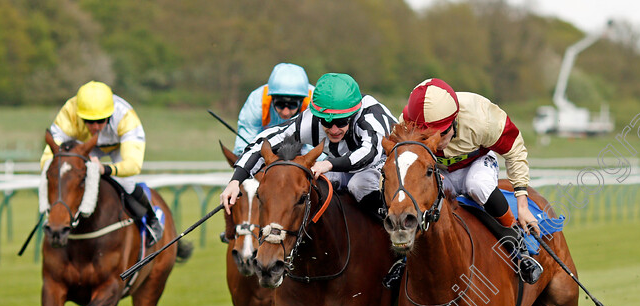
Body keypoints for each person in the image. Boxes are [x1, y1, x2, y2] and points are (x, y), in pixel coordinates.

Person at [399, 78, 543, 284]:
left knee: (478, 185)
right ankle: (404, 261)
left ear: (455, 120)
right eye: (426, 136)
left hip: (477, 164)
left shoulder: (482, 117)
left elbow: (514, 149)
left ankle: (518, 243)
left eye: (441, 133)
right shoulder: (406, 125)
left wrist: (522, 204)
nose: (436, 143)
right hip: (439, 172)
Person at [221, 72, 395, 221]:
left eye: (341, 122)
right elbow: (263, 142)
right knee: (316, 186)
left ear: (353, 114)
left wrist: (329, 164)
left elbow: (370, 152)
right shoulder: (309, 121)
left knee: (359, 184)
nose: (333, 130)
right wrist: (236, 181)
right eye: (327, 122)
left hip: (386, 162)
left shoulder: (369, 117)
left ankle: (394, 230)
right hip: (343, 163)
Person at [40, 81, 163, 246]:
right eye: (89, 121)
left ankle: (151, 219)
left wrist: (105, 169)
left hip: (118, 146)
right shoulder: (69, 111)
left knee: (125, 182)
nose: (96, 127)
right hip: (83, 147)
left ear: (110, 115)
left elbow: (133, 164)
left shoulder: (126, 118)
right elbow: (49, 156)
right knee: (64, 179)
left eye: (101, 120)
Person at [233, 63, 315, 155]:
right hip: (264, 148)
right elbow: (245, 143)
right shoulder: (257, 101)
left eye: (292, 105)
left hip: (302, 147)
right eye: (280, 104)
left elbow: (317, 145)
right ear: (272, 99)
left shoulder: (315, 102)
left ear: (301, 101)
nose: (285, 112)